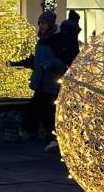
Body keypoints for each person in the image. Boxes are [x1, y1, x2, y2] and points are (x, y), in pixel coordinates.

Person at [24, 11, 71, 153]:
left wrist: (49, 64)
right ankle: (50, 138)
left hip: (52, 84)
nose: (41, 26)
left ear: (50, 24)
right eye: (40, 23)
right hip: (41, 82)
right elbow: (38, 59)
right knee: (41, 112)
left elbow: (63, 63)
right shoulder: (42, 40)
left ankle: (52, 140)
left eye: (43, 23)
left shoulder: (58, 40)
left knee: (48, 113)